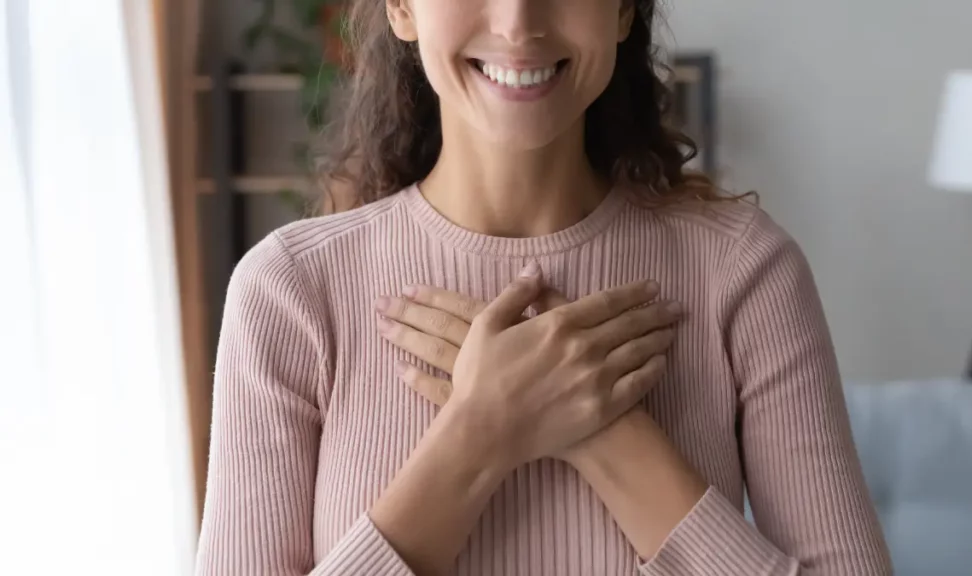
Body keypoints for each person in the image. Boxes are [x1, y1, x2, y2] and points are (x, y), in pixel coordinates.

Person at [195, 0, 893, 574]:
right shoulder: (290, 291)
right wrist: (480, 434)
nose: (518, 22)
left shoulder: (745, 272)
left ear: (624, 11)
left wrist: (609, 434)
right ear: (402, 7)